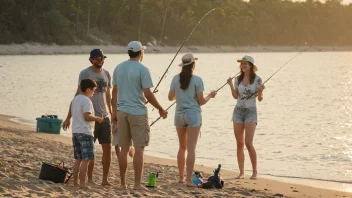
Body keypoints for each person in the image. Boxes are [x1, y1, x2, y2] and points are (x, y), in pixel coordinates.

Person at [111, 41, 168, 190]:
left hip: (121, 112)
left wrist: (114, 112)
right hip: (138, 113)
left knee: (124, 149)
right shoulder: (143, 69)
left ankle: (123, 183)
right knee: (139, 149)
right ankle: (136, 184)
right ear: (141, 52)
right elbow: (148, 93)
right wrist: (161, 108)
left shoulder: (118, 68)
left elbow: (114, 92)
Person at [62, 49, 112, 185]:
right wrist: (68, 117)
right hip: (90, 119)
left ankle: (105, 180)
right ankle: (89, 179)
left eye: (102, 57)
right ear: (91, 60)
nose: (100, 60)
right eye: (97, 58)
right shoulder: (85, 73)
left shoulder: (107, 74)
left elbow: (108, 95)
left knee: (107, 148)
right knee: (89, 153)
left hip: (104, 116)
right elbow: (77, 95)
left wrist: (112, 113)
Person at [168, 53, 217, 187]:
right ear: (193, 65)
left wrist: (180, 96)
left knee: (182, 147)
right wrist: (210, 96)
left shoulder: (174, 79)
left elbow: (170, 97)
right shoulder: (197, 80)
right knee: (191, 148)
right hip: (193, 115)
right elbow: (201, 101)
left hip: (179, 115)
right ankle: (189, 180)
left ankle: (181, 177)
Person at [226, 55, 265, 180]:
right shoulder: (238, 79)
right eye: (242, 63)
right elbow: (235, 96)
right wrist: (231, 85)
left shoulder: (258, 79)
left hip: (250, 112)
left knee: (248, 143)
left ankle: (254, 172)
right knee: (239, 143)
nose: (243, 65)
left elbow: (259, 99)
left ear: (251, 66)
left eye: (245, 64)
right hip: (238, 112)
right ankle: (241, 172)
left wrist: (260, 92)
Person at [71, 79, 104, 188]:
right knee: (86, 159)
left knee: (78, 159)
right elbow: (87, 116)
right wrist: (98, 119)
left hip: (75, 132)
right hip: (85, 132)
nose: (94, 93)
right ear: (88, 89)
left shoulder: (75, 99)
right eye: (93, 90)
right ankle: (83, 183)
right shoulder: (86, 101)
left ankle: (75, 182)